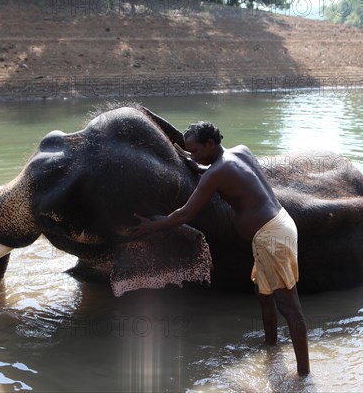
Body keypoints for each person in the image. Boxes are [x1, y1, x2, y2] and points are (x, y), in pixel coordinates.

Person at [130, 121, 310, 376]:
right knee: (264, 293)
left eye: (194, 150)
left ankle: (304, 378)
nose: (192, 156)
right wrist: (198, 165)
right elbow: (222, 170)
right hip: (281, 223)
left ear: (210, 144)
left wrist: (153, 226)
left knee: (290, 308)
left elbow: (185, 214)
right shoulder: (241, 152)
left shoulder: (216, 173)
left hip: (271, 237)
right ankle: (272, 347)